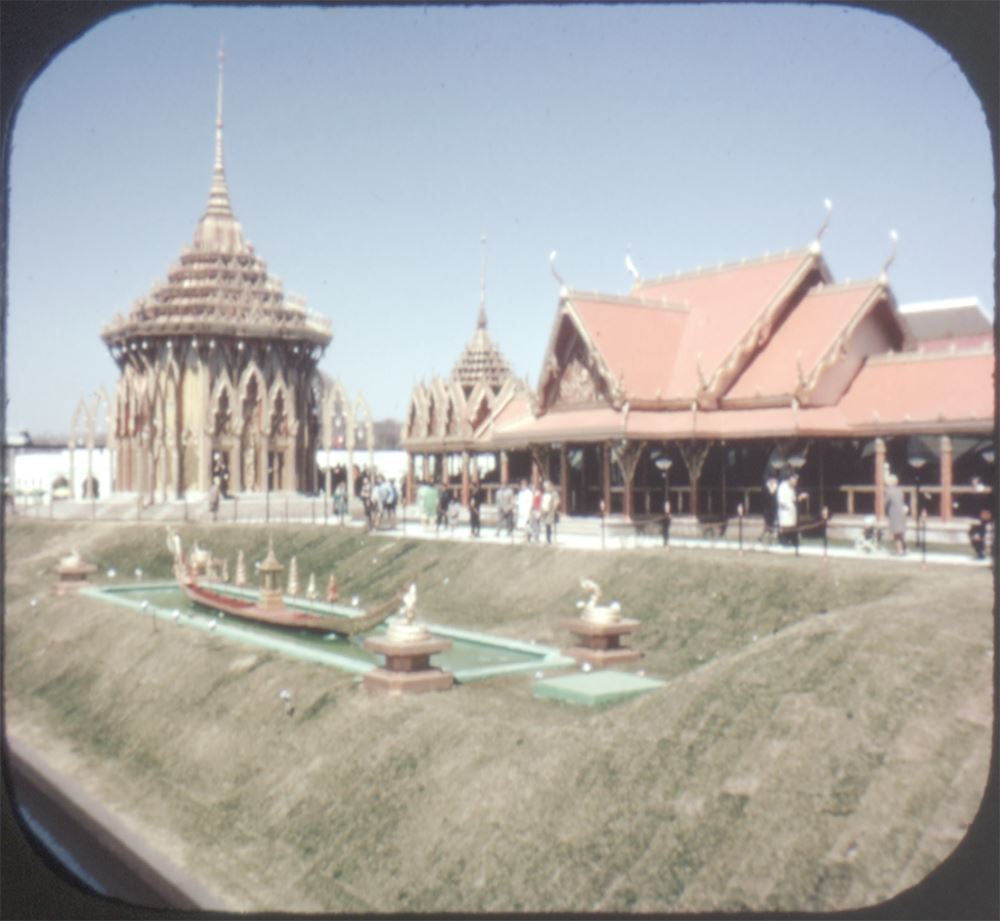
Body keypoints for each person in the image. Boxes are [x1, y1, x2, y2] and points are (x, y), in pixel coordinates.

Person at [776, 473, 801, 549]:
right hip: (785, 512)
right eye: (794, 481)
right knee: (785, 527)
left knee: (792, 527)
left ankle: (793, 541)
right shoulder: (782, 487)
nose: (795, 483)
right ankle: (783, 541)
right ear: (790, 480)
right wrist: (788, 506)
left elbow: (793, 499)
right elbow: (781, 501)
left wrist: (799, 498)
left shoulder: (792, 488)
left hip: (791, 512)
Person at [884, 473, 907, 555]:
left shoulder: (889, 491)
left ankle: (899, 551)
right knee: (901, 533)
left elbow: (886, 503)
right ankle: (904, 549)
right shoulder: (900, 491)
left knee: (896, 534)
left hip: (894, 513)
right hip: (901, 512)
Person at [760, 477, 779, 544]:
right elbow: (763, 498)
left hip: (775, 508)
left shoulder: (777, 487)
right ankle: (764, 537)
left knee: (773, 524)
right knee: (768, 524)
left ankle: (772, 538)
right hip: (767, 508)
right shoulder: (765, 487)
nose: (773, 481)